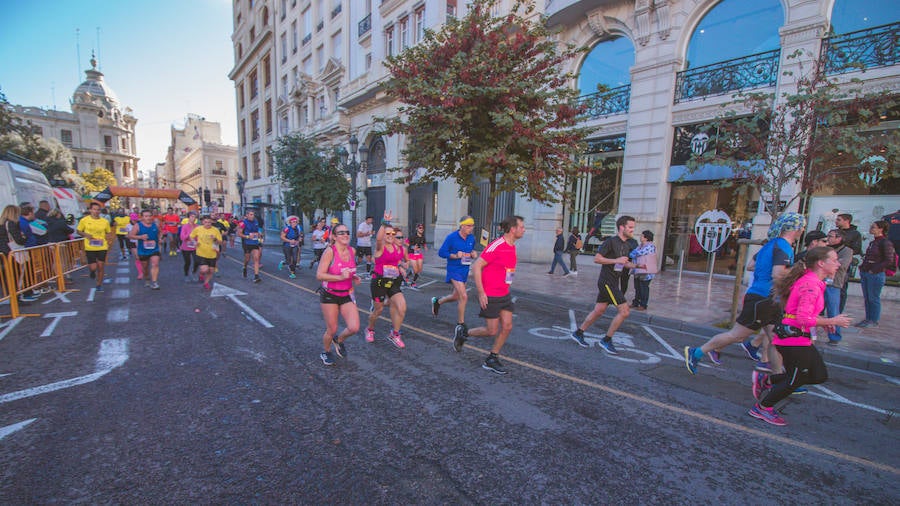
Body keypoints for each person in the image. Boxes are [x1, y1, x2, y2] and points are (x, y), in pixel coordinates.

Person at [685, 212, 806, 375]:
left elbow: (750, 265)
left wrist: (766, 268)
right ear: (795, 228)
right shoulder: (784, 246)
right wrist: (797, 270)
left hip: (766, 298)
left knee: (776, 340)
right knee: (737, 335)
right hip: (764, 298)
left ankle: (780, 378)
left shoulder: (770, 245)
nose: (803, 230)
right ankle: (697, 352)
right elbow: (778, 274)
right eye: (802, 227)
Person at [748, 247, 851, 426]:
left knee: (819, 375)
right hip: (792, 339)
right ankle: (763, 408)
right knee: (796, 379)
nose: (838, 263)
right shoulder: (810, 284)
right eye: (834, 260)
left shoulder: (814, 282)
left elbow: (802, 313)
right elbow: (802, 318)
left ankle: (767, 380)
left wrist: (825, 322)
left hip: (799, 337)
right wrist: (831, 320)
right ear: (821, 263)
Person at [570, 215, 640, 353]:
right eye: (630, 227)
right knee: (624, 311)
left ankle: (578, 333)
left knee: (599, 310)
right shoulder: (610, 242)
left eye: (633, 227)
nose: (632, 230)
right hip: (607, 282)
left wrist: (638, 266)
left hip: (614, 281)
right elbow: (597, 259)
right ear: (622, 227)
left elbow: (623, 263)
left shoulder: (627, 244)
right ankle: (606, 340)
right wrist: (616, 261)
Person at [467, 215, 526, 374]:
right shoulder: (497, 245)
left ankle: (492, 358)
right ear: (513, 229)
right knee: (491, 331)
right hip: (491, 295)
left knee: (507, 326)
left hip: (504, 294)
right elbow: (476, 266)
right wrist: (481, 292)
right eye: (521, 227)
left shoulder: (511, 245)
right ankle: (464, 333)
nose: (524, 229)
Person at [315, 222, 362, 366]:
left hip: (347, 293)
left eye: (347, 232)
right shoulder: (330, 252)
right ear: (334, 237)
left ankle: (339, 340)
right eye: (341, 233)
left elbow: (347, 270)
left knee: (354, 327)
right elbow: (320, 275)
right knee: (332, 328)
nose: (345, 235)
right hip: (330, 294)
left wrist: (353, 277)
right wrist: (340, 278)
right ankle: (326, 351)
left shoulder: (352, 251)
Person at [433, 216, 478, 351]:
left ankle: (438, 301)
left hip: (464, 270)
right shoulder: (452, 237)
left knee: (456, 296)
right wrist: (454, 255)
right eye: (469, 225)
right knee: (464, 296)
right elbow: (441, 252)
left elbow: (470, 252)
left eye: (472, 225)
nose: (471, 228)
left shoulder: (472, 238)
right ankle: (460, 325)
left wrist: (473, 254)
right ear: (462, 226)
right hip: (454, 270)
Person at [365, 211, 410, 348]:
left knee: (402, 307)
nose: (390, 236)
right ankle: (370, 329)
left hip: (393, 282)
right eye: (387, 234)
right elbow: (378, 238)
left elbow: (406, 262)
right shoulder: (380, 247)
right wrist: (384, 223)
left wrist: (403, 266)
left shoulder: (401, 249)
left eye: (392, 234)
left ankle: (394, 334)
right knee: (378, 311)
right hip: (379, 282)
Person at [855, 220, 895, 328]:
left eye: (873, 227)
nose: (871, 228)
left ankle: (873, 320)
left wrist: (874, 269)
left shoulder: (885, 242)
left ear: (880, 229)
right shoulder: (874, 242)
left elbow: (889, 260)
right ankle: (868, 318)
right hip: (867, 272)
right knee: (868, 298)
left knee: (873, 298)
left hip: (875, 274)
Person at [1, 205, 38, 303]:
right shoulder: (12, 223)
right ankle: (19, 296)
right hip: (14, 252)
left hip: (5, 252)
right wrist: (24, 237)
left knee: (9, 277)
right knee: (18, 275)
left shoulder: (2, 223)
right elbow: (19, 239)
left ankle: (14, 297)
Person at [76, 202, 113, 292]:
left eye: (98, 210)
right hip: (90, 247)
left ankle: (99, 284)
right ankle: (92, 272)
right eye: (94, 209)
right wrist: (86, 234)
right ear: (90, 210)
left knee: (101, 266)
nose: (96, 211)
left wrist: (108, 239)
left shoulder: (105, 221)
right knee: (93, 267)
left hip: (102, 246)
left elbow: (108, 232)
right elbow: (78, 231)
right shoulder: (84, 220)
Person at [824, 229, 852, 344]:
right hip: (821, 281)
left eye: (831, 236)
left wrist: (828, 262)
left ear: (839, 238)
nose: (828, 238)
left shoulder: (847, 251)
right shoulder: (826, 249)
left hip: (834, 284)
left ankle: (834, 336)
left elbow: (842, 264)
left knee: (833, 310)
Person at [129, 209, 162, 290]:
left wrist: (160, 238)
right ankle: (147, 278)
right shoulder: (138, 225)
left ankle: (154, 282)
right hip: (143, 250)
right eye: (146, 216)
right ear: (142, 217)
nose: (148, 218)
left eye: (150, 216)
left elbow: (160, 232)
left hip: (154, 249)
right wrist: (140, 237)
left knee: (155, 264)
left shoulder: (155, 225)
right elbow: (130, 235)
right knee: (145, 267)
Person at [190, 215, 224, 291]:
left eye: (209, 222)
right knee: (205, 269)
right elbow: (191, 236)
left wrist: (215, 239)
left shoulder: (215, 230)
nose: (208, 224)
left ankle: (206, 282)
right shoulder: (198, 229)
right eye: (206, 222)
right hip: (201, 253)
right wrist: (194, 242)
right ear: (202, 222)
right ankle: (201, 273)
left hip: (212, 253)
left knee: (211, 270)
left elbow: (220, 241)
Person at [629, 230, 656, 311]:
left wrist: (633, 253)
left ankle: (643, 305)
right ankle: (635, 302)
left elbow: (638, 253)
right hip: (638, 269)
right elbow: (634, 252)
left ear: (646, 238)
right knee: (637, 287)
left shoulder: (650, 246)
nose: (640, 237)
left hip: (646, 271)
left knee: (644, 288)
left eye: (642, 236)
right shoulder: (640, 245)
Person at [238, 209, 264, 283]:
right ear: (247, 215)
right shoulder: (243, 223)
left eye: (253, 214)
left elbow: (257, 231)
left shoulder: (256, 222)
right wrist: (247, 236)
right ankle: (245, 267)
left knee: (256, 258)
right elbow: (239, 234)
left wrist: (259, 234)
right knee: (247, 259)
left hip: (255, 242)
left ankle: (256, 276)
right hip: (247, 243)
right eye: (251, 214)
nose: (252, 216)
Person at [179, 212, 199, 282]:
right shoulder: (185, 226)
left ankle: (194, 272)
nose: (193, 218)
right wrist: (190, 234)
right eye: (192, 216)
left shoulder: (197, 226)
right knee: (187, 262)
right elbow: (182, 237)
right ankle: (186, 274)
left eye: (194, 217)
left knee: (197, 261)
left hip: (195, 247)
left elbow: (200, 236)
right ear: (189, 217)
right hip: (186, 247)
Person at [406, 223, 427, 287]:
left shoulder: (423, 237)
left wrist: (425, 246)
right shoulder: (412, 236)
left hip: (418, 254)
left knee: (419, 270)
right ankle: (413, 282)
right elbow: (406, 242)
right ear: (417, 229)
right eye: (420, 228)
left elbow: (424, 243)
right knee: (415, 270)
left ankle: (409, 273)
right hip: (411, 253)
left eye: (422, 228)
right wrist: (412, 247)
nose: (421, 229)